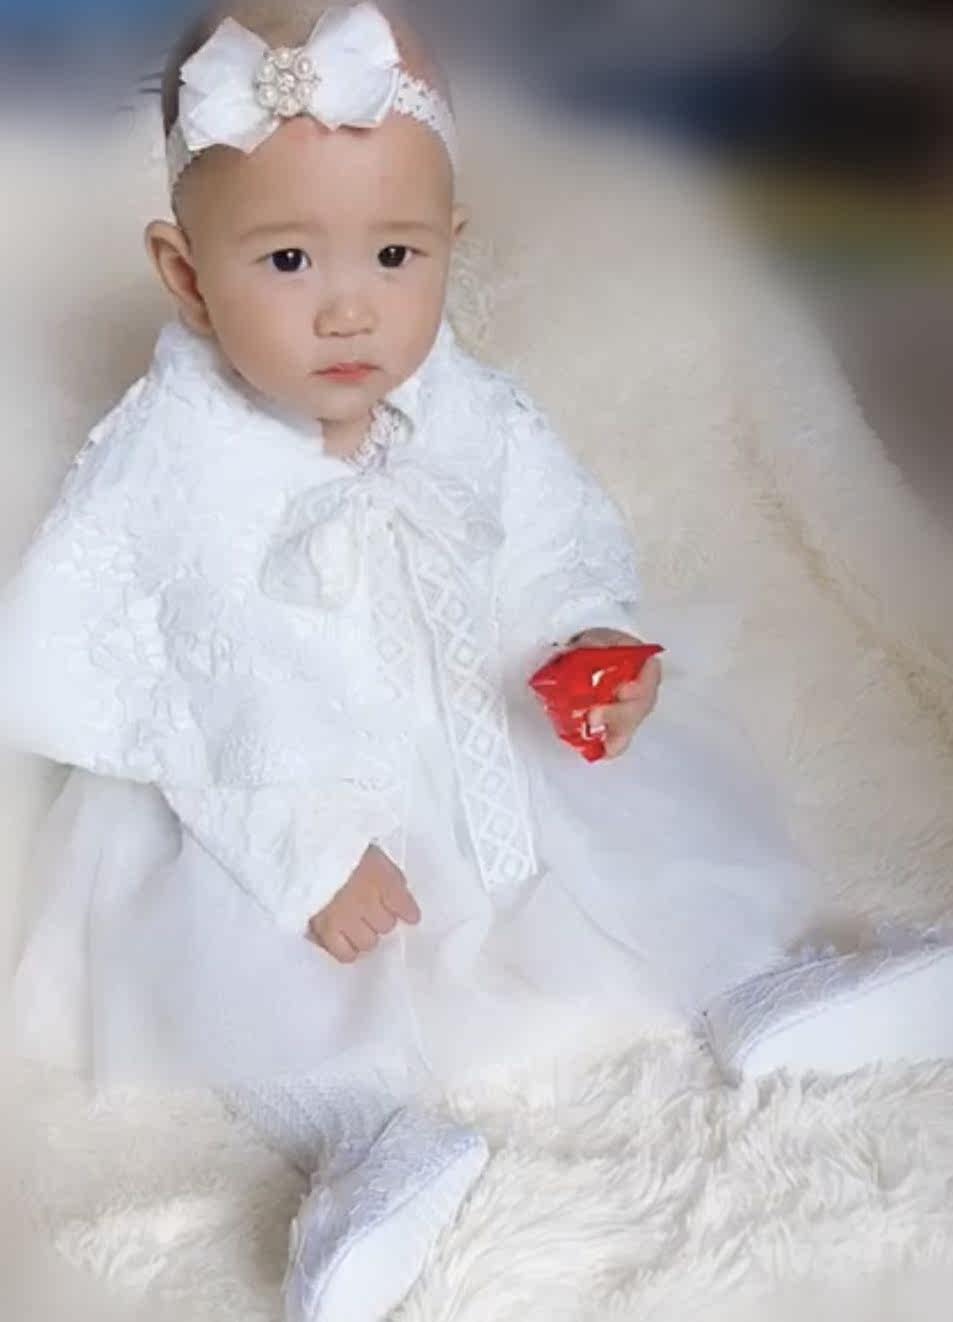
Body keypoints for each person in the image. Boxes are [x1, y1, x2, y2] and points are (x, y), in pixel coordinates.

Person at [4, 4, 952, 1320]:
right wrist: (308, 852)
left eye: (395, 253)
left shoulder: (455, 394)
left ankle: (756, 983)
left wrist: (585, 637)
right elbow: (179, 685)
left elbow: (546, 527)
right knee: (253, 955)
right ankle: (364, 1141)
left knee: (621, 825)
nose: (351, 306)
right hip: (273, 793)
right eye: (287, 258)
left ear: (450, 242)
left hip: (467, 729)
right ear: (186, 274)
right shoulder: (170, 463)